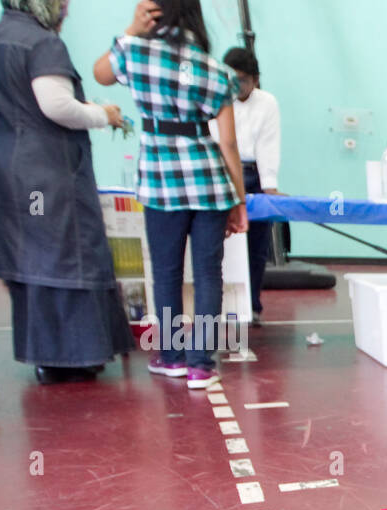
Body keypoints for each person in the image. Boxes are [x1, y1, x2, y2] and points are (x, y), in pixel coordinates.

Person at [93, 0, 247, 390]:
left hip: (162, 183)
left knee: (166, 274)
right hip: (209, 184)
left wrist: (131, 29)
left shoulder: (136, 51)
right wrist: (239, 201)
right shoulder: (215, 69)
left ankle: (173, 357)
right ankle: (201, 365)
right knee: (209, 275)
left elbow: (100, 75)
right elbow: (228, 142)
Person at [0, 0, 131, 384]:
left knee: (29, 253)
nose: (66, 7)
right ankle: (72, 355)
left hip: (8, 165)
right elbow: (56, 106)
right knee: (62, 252)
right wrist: (105, 115)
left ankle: (46, 353)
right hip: (44, 172)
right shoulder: (41, 43)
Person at [217, 46, 279, 327]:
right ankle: (217, 306)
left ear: (255, 79)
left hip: (252, 174)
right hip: (220, 172)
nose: (238, 85)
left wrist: (270, 185)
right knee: (217, 243)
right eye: (233, 79)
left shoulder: (267, 103)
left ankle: (251, 305)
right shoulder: (216, 98)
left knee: (257, 246)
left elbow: (268, 144)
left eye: (243, 79)